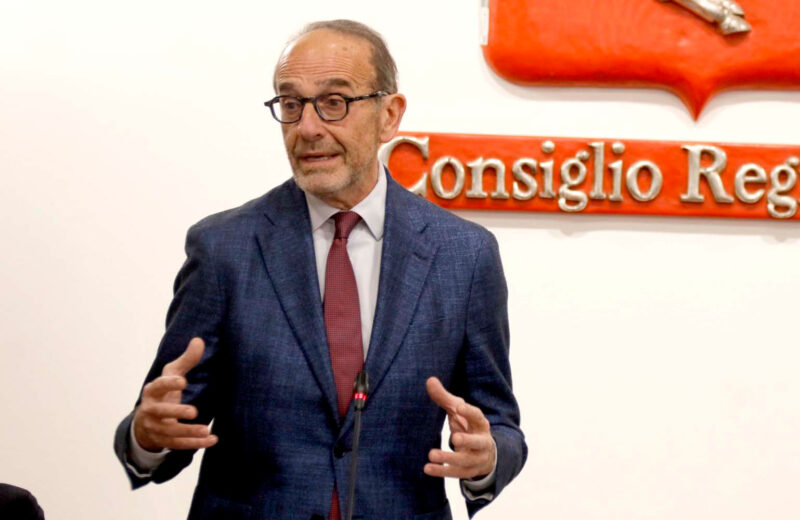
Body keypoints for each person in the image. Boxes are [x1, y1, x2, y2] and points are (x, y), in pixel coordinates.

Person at [114, 19, 526, 520]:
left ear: (389, 116)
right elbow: (168, 420)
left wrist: (487, 457)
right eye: (291, 104)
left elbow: (500, 424)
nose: (308, 128)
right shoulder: (224, 249)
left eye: (334, 102)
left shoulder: (464, 254)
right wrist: (147, 436)